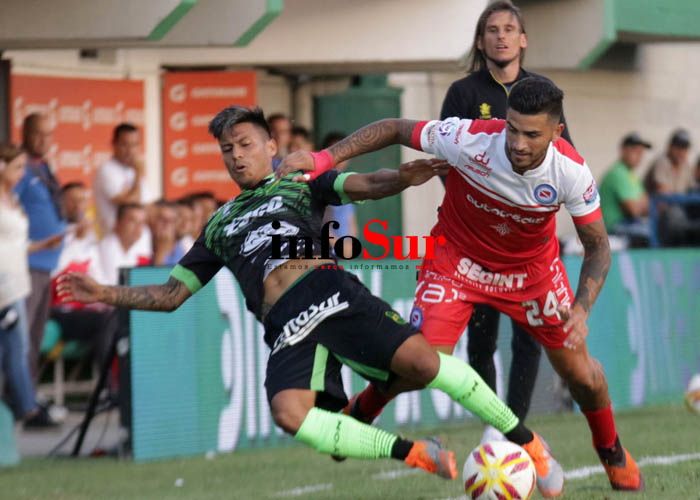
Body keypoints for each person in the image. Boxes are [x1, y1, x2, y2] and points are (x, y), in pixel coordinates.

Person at [58, 106, 563, 493]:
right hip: (283, 324)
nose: (236, 156)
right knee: (288, 413)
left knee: (425, 363)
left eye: (244, 144)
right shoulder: (217, 224)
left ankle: (528, 442)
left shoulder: (299, 182)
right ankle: (414, 453)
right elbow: (170, 295)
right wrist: (103, 292)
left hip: (327, 290)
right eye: (227, 150)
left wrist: (401, 178)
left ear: (270, 145)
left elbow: (362, 185)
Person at [276, 78, 644, 493]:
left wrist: (581, 308)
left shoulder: (571, 171)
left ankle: (611, 450)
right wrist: (324, 157)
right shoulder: (470, 138)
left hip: (531, 274)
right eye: (512, 129)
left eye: (531, 135)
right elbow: (395, 127)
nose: (517, 143)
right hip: (456, 262)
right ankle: (364, 408)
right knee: (422, 363)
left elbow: (598, 247)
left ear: (556, 133)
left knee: (582, 375)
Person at [439, 1, 577, 442]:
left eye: (509, 28)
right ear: (481, 41)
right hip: (477, 243)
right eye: (492, 29)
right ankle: (494, 424)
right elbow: (445, 160)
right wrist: (480, 209)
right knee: (480, 341)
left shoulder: (542, 93)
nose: (501, 36)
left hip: (530, 244)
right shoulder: (463, 93)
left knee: (528, 339)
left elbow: (566, 157)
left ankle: (515, 431)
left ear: (523, 39)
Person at [0, 142, 61, 428]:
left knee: (15, 347)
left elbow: (16, 244)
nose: (22, 174)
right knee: (16, 346)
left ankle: (21, 405)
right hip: (4, 285)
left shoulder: (12, 197)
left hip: (18, 280)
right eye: (17, 167)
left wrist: (44, 245)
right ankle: (28, 409)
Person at [14, 113, 67, 384]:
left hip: (46, 265)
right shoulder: (18, 167)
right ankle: (14, 398)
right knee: (20, 339)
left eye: (49, 134)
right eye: (38, 133)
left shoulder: (43, 166)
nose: (44, 140)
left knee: (35, 337)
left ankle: (28, 396)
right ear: (24, 132)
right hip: (26, 265)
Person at [49, 182, 117, 370]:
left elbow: (99, 278)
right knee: (106, 322)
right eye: (73, 200)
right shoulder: (53, 233)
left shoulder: (90, 239)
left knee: (118, 317)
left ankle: (120, 383)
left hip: (86, 307)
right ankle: (108, 384)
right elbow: (51, 271)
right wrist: (77, 242)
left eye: (82, 200)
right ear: (61, 202)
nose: (78, 205)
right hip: (59, 310)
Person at [93, 123, 154, 240]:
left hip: (139, 239)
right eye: (125, 145)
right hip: (114, 239)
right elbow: (131, 205)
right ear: (114, 144)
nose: (130, 151)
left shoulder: (134, 169)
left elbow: (147, 205)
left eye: (134, 145)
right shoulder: (106, 170)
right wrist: (138, 174)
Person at [598, 133, 652, 246]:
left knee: (655, 228)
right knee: (651, 232)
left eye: (641, 152)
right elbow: (633, 210)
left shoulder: (630, 174)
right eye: (636, 151)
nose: (639, 156)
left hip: (629, 223)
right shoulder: (618, 172)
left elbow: (647, 205)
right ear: (624, 151)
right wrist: (640, 204)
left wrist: (639, 204)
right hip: (613, 227)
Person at [644, 129, 695, 245]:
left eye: (684, 148)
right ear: (670, 147)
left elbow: (691, 191)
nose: (681, 152)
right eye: (678, 147)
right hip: (656, 216)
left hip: (680, 213)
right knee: (675, 214)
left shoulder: (686, 165)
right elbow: (664, 196)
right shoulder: (662, 162)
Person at [321, 132, 358, 258]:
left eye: (345, 153)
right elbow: (318, 222)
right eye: (336, 152)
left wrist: (351, 247)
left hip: (344, 254)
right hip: (325, 255)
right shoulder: (319, 182)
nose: (341, 158)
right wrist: (339, 246)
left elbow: (351, 220)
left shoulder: (347, 181)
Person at [97, 203, 151, 286]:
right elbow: (114, 288)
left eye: (141, 222)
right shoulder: (107, 247)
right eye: (132, 221)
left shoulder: (135, 247)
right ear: (117, 223)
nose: (138, 227)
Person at [150, 200, 184, 266]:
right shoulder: (144, 246)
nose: (166, 224)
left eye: (172, 220)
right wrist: (161, 251)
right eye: (162, 219)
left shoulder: (185, 249)